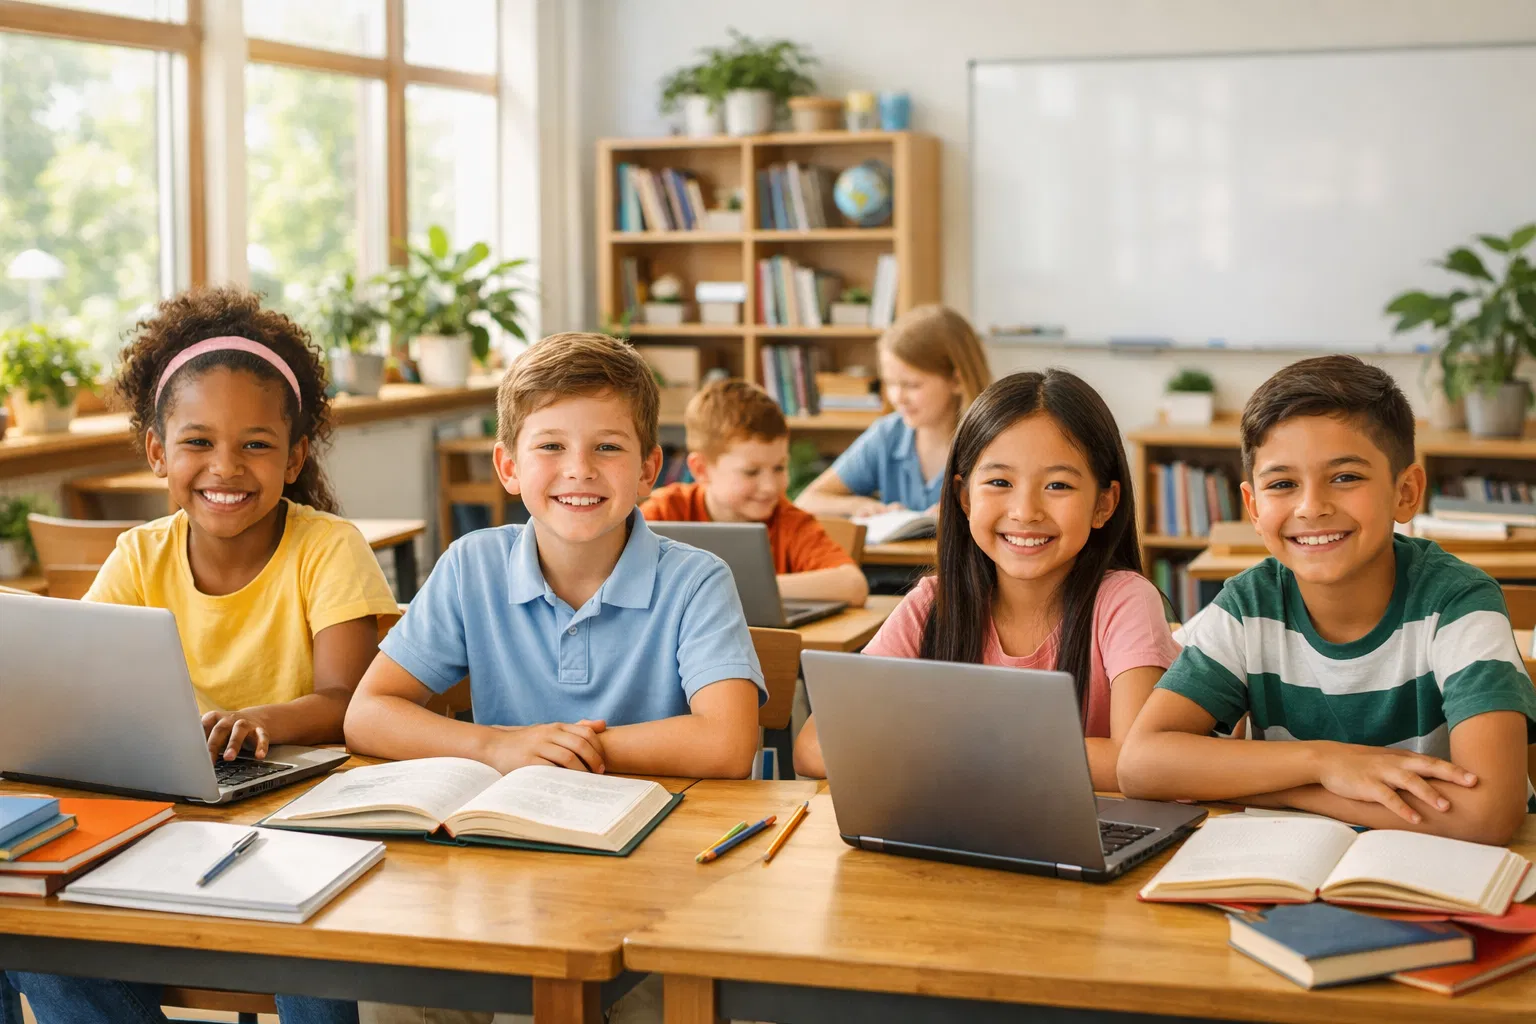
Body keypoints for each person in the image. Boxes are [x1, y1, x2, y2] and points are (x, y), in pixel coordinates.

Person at [7, 286, 397, 1023]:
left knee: (312, 965)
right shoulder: (138, 555)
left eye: (255, 443)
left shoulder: (328, 549)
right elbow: (80, 686)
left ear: (294, 457)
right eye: (197, 442)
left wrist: (260, 720)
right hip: (171, 819)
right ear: (158, 453)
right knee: (32, 938)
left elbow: (349, 700)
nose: (226, 467)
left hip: (304, 824)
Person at [1118, 355, 1536, 845]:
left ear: (1405, 492)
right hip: (1301, 868)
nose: (1311, 506)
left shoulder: (1459, 602)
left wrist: (1283, 789)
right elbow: (1140, 765)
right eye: (1282, 484)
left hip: (1455, 869)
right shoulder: (1248, 606)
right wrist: (1324, 762)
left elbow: (1489, 814)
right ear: (1253, 507)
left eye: (1345, 477)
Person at [795, 370, 1179, 788]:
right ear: (964, 497)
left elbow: (1135, 762)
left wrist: (948, 746)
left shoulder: (1124, 602)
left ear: (1104, 503)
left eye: (1057, 485)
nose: (1025, 510)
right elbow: (814, 745)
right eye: (999, 482)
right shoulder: (933, 604)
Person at [640, 379, 867, 606]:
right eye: (751, 472)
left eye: (779, 468)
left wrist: (736, 586)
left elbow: (853, 585)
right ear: (701, 469)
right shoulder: (666, 510)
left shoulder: (788, 521)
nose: (770, 486)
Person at [794, 305, 991, 519]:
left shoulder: (993, 440)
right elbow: (807, 501)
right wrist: (859, 505)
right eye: (890, 383)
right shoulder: (888, 434)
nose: (897, 397)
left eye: (912, 385)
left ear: (956, 380)